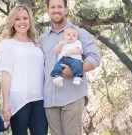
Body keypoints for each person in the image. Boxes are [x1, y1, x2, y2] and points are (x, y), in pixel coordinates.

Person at [39, 0, 100, 134]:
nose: (56, 10)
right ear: (48, 10)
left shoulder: (79, 33)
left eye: (60, 6)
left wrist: (74, 71)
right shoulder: (43, 39)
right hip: (50, 101)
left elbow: (94, 58)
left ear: (66, 10)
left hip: (72, 97)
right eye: (52, 7)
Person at [0, 4, 48, 135]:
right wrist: (6, 103)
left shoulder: (36, 43)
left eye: (25, 18)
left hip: (39, 99)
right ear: (12, 22)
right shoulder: (7, 44)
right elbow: (5, 75)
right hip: (18, 101)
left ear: (30, 20)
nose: (22, 22)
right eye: (17, 19)